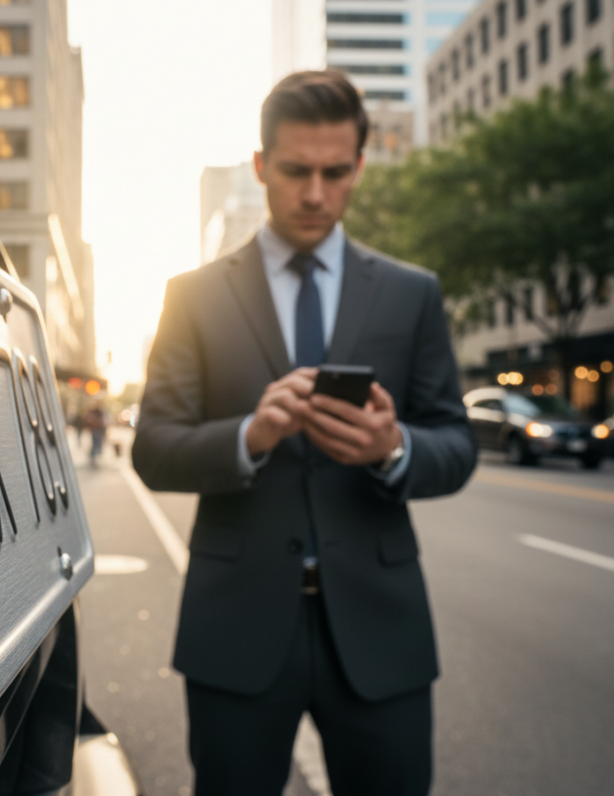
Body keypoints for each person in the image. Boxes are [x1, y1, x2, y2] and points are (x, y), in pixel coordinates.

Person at [132, 71, 476, 796]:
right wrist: (250, 435)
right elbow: (155, 448)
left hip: (381, 628)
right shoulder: (191, 297)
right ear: (261, 166)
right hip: (237, 625)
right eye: (294, 172)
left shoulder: (412, 292)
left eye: (335, 172)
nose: (315, 193)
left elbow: (456, 441)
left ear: (358, 166)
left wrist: (393, 448)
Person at [84, 402, 107, 468]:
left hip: (98, 430)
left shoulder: (100, 413)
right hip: (96, 430)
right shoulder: (95, 413)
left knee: (97, 444)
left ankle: (94, 457)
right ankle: (92, 457)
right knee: (95, 444)